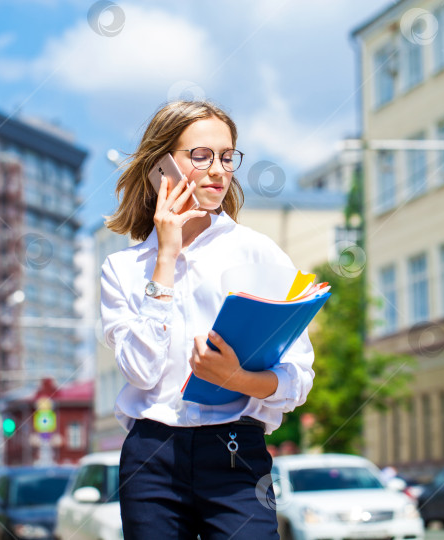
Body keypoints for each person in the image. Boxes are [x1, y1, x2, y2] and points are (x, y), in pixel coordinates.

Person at [100, 101, 316, 540]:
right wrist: (166, 255)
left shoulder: (260, 253)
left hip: (237, 454)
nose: (218, 169)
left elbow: (299, 379)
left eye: (226, 156)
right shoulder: (121, 269)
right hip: (150, 458)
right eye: (200, 155)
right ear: (162, 166)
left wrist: (236, 378)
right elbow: (141, 372)